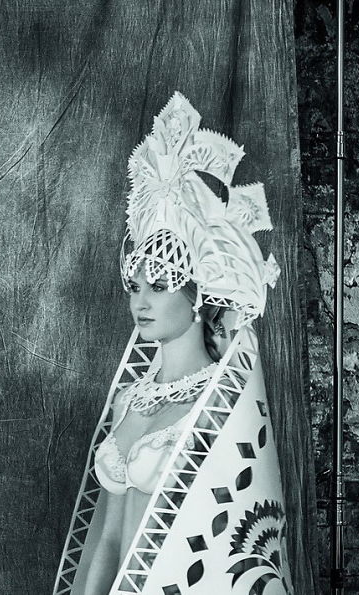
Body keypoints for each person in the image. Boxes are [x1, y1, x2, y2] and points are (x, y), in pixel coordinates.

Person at [54, 93, 294, 594]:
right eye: (135, 286)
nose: (142, 302)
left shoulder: (221, 403)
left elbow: (232, 539)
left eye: (160, 285)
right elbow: (106, 539)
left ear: (198, 296)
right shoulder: (128, 400)